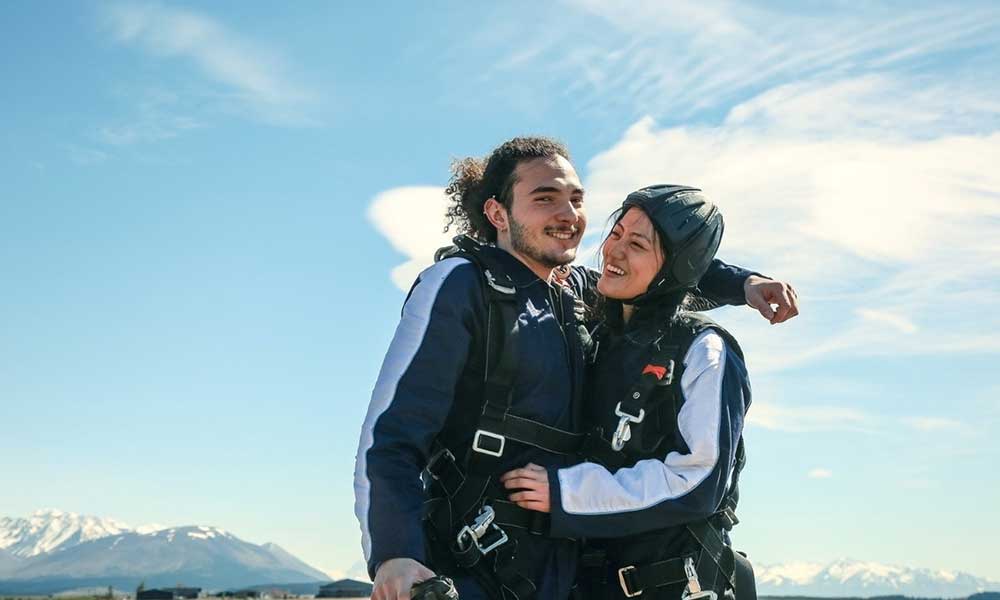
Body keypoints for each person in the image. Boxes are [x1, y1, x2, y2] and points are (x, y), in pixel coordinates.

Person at [354, 138, 796, 600]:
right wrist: (394, 552)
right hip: (473, 566)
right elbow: (391, 435)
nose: (568, 214)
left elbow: (667, 262)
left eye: (577, 199)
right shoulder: (461, 285)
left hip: (570, 574)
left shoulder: (576, 293)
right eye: (545, 198)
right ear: (498, 213)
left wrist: (744, 283)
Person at [500, 185, 757, 600]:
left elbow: (698, 481)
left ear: (677, 266)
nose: (613, 252)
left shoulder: (704, 348)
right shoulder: (593, 328)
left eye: (636, 244)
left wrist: (569, 493)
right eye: (615, 234)